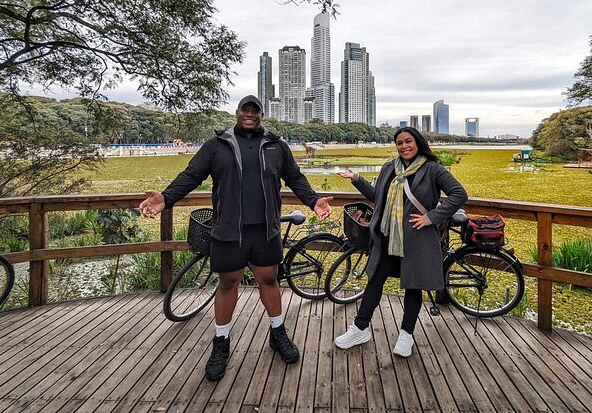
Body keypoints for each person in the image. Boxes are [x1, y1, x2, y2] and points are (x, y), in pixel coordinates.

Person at [139, 95, 333, 381]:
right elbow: (191, 175)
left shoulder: (276, 146)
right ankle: (221, 342)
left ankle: (278, 333)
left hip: (265, 230)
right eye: (246, 109)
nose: (250, 114)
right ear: (237, 113)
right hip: (229, 230)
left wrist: (313, 200)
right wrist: (165, 198)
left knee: (269, 280)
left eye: (256, 111)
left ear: (262, 115)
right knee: (228, 283)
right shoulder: (217, 146)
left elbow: (295, 177)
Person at [334, 126, 467, 357]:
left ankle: (406, 335)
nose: (404, 146)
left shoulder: (433, 169)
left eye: (408, 141)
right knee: (374, 281)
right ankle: (360, 328)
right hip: (387, 238)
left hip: (417, 240)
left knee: (413, 287)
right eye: (399, 143)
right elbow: (378, 197)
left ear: (418, 142)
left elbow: (459, 194)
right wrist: (357, 179)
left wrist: (431, 217)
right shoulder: (389, 168)